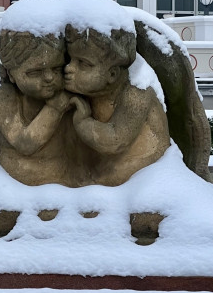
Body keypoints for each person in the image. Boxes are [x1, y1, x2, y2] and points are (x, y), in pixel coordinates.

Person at [64, 25, 169, 186]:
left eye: (83, 64)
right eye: (71, 60)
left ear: (112, 74)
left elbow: (116, 140)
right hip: (109, 163)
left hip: (143, 167)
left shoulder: (136, 91)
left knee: (93, 185)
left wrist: (82, 122)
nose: (69, 68)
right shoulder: (94, 90)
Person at [0, 29, 82, 186]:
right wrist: (54, 109)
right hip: (19, 180)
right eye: (35, 72)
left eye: (56, 69)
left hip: (66, 176)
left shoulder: (69, 87)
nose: (49, 78)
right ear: (11, 75)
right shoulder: (4, 94)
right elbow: (24, 143)